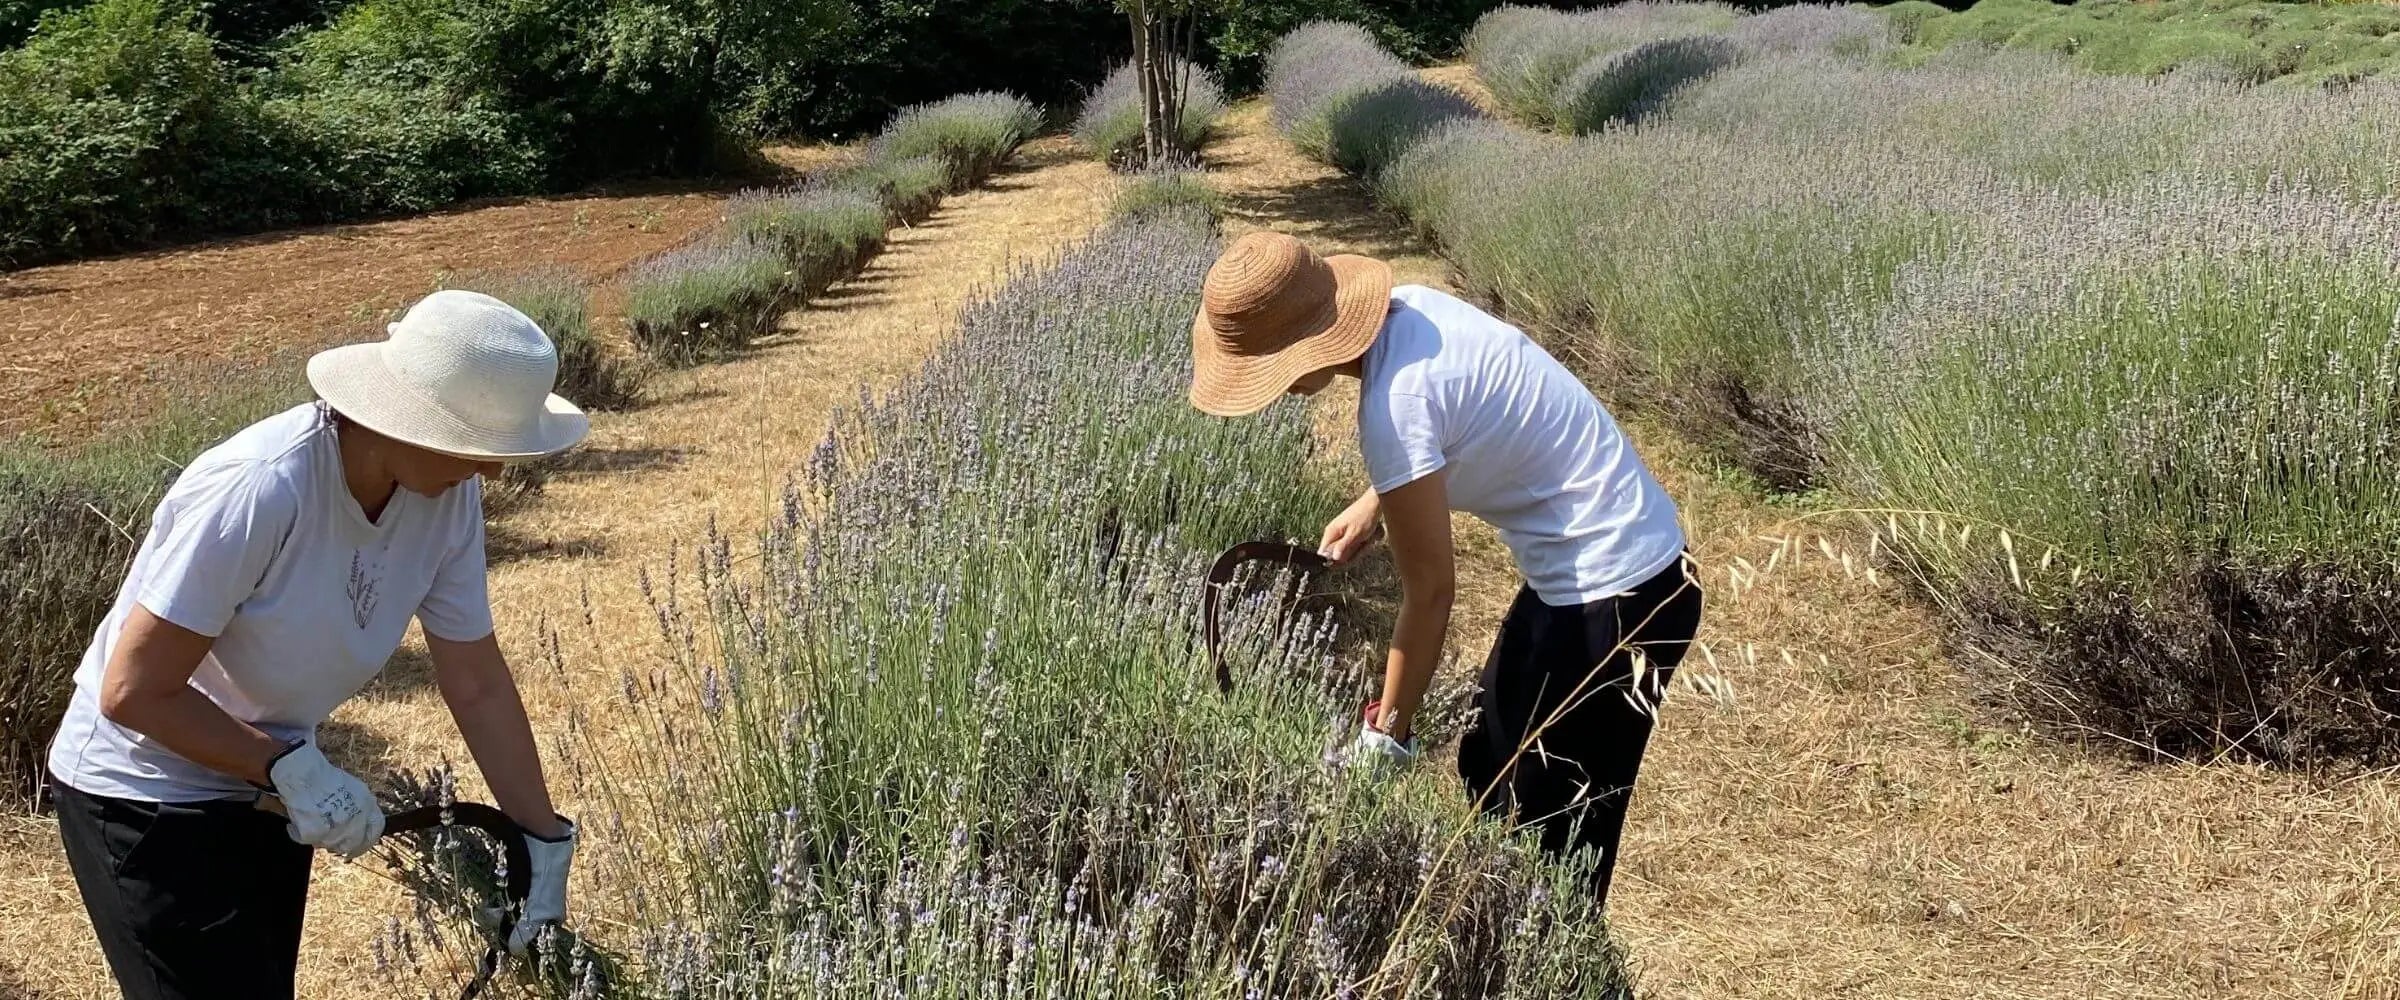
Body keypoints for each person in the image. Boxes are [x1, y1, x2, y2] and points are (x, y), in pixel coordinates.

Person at [44, 290, 588, 999]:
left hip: (270, 789)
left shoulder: (447, 497)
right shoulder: (264, 487)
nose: (491, 472)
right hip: (147, 796)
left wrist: (539, 839)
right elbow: (134, 691)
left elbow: (476, 679)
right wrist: (291, 771)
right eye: (476, 447)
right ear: (402, 416)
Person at [1188, 231, 1703, 906]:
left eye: (1268, 365)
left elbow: (1430, 593)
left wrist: (1387, 735)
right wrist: (1378, 501)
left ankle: (1560, 969)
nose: (1276, 388)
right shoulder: (1413, 310)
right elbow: (1448, 420)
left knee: (1555, 840)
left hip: (1625, 595)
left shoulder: (1392, 410)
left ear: (1306, 349)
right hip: (1596, 571)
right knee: (1487, 761)